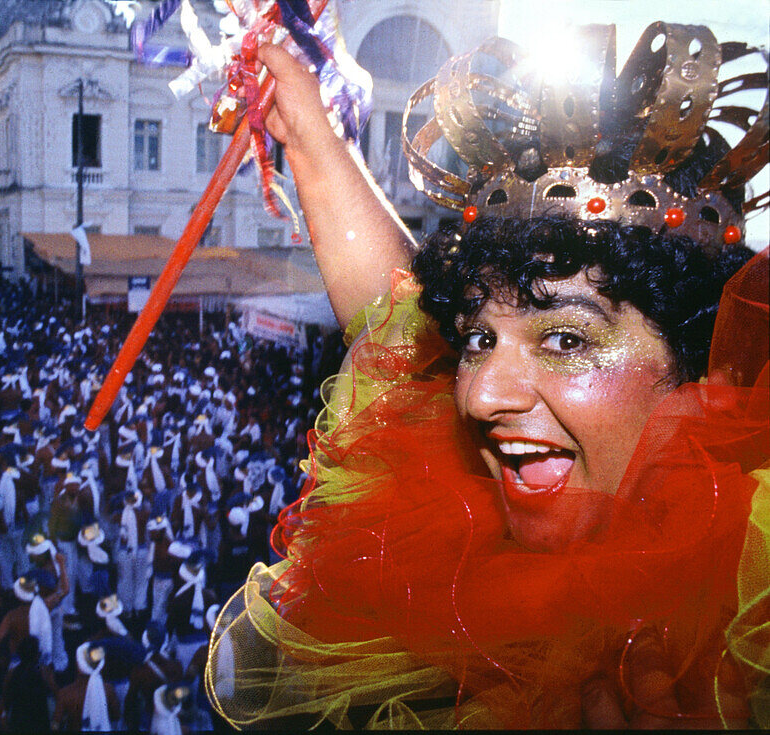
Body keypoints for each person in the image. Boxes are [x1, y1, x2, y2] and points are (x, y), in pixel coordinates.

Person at [205, 23, 769, 729]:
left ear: (705, 361)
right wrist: (311, 131)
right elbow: (393, 321)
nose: (479, 393)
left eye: (565, 338)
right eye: (477, 338)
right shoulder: (450, 538)